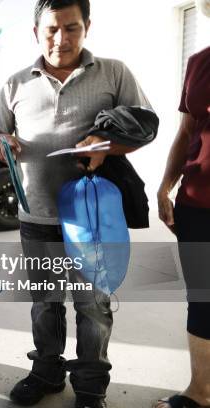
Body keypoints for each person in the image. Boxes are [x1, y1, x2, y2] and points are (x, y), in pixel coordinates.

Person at [0, 1, 152, 407]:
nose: (61, 39)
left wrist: (105, 146)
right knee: (45, 303)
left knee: (93, 307)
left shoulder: (114, 72)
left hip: (92, 220)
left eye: (72, 28)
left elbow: (145, 127)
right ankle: (47, 371)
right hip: (36, 218)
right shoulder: (16, 83)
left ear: (87, 26)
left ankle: (91, 387)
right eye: (52, 30)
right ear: (36, 31)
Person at [156, 2, 210, 407]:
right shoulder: (198, 62)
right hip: (196, 203)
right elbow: (186, 130)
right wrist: (165, 185)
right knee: (203, 297)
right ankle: (200, 393)